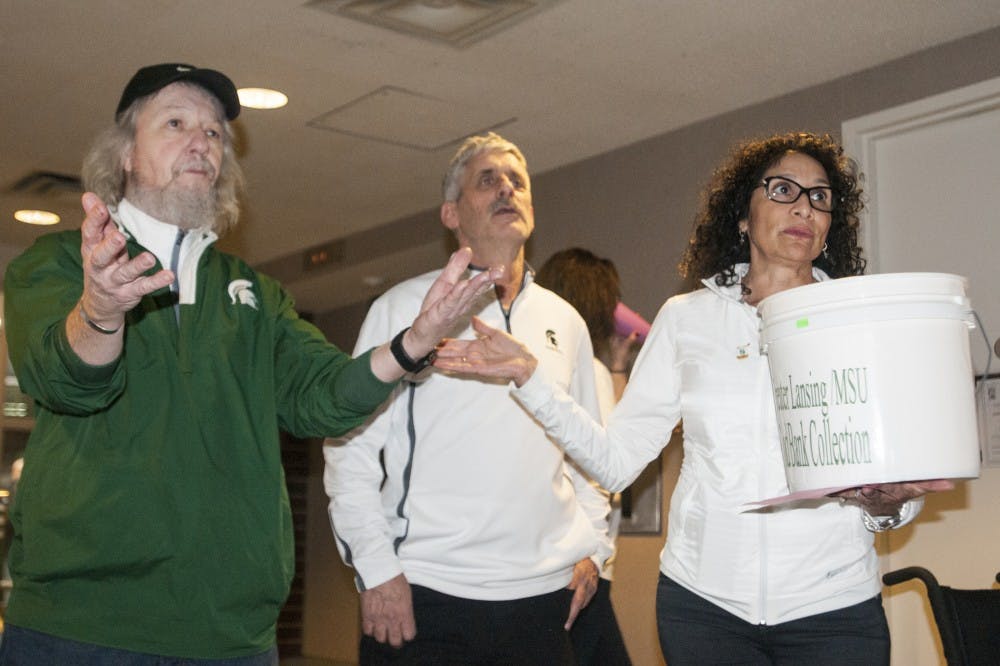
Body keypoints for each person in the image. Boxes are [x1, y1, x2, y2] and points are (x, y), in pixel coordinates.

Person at [0, 63, 499, 664]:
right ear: (127, 155)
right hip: (83, 631)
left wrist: (413, 343)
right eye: (177, 123)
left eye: (215, 134)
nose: (201, 143)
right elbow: (65, 379)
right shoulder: (55, 263)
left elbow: (324, 397)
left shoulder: (254, 294)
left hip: (232, 638)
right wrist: (102, 309)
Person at [433, 132, 954, 665]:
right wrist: (530, 377)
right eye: (783, 190)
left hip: (834, 608)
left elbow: (895, 480)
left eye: (820, 196)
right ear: (743, 216)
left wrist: (891, 502)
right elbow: (615, 463)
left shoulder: (857, 323)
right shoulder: (686, 320)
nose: (804, 206)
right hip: (705, 610)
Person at [323, 132, 613, 665]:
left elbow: (593, 456)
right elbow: (349, 451)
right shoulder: (403, 310)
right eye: (488, 180)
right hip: (424, 593)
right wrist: (376, 567)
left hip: (543, 601)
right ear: (451, 214)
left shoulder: (565, 322)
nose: (507, 188)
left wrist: (594, 550)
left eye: (517, 181)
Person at [534, 248, 640, 665]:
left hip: (555, 560)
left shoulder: (545, 367)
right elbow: (610, 462)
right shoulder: (585, 369)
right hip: (583, 565)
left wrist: (614, 367)